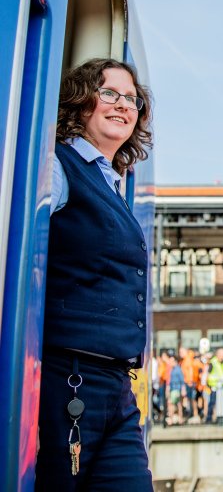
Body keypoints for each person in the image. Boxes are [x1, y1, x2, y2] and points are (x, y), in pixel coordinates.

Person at [37, 58, 153, 490]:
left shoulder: (112, 180)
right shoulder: (60, 166)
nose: (123, 104)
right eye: (109, 93)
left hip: (117, 387)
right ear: (82, 100)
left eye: (132, 98)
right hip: (69, 379)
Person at [206, 347, 223, 423]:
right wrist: (208, 384)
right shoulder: (213, 362)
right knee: (212, 402)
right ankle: (209, 418)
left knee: (221, 403)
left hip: (222, 386)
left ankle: (219, 417)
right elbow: (208, 373)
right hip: (214, 385)